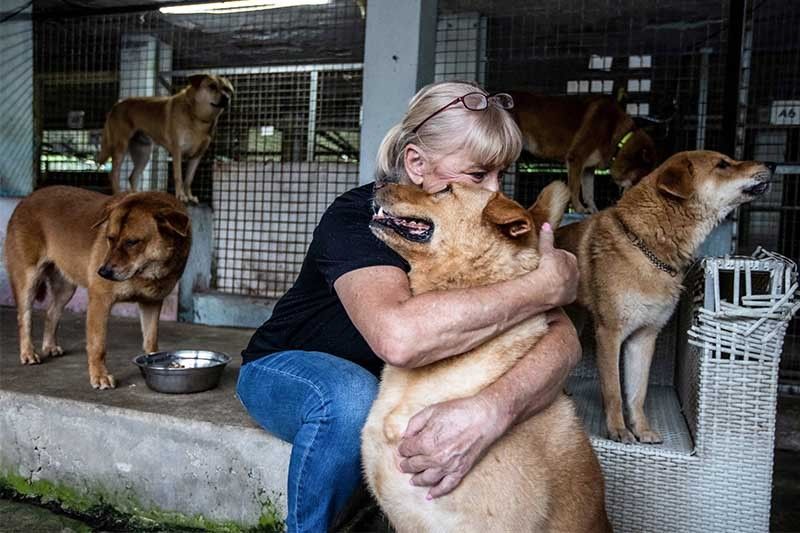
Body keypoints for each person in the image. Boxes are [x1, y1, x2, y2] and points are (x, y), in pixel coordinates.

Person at [236, 81, 581, 532]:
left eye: (502, 174)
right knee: (351, 397)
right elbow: (399, 339)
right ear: (417, 163)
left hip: (389, 383)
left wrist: (492, 409)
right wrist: (542, 287)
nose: (496, 192)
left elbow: (565, 341)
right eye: (478, 176)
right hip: (288, 368)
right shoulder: (362, 218)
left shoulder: (477, 230)